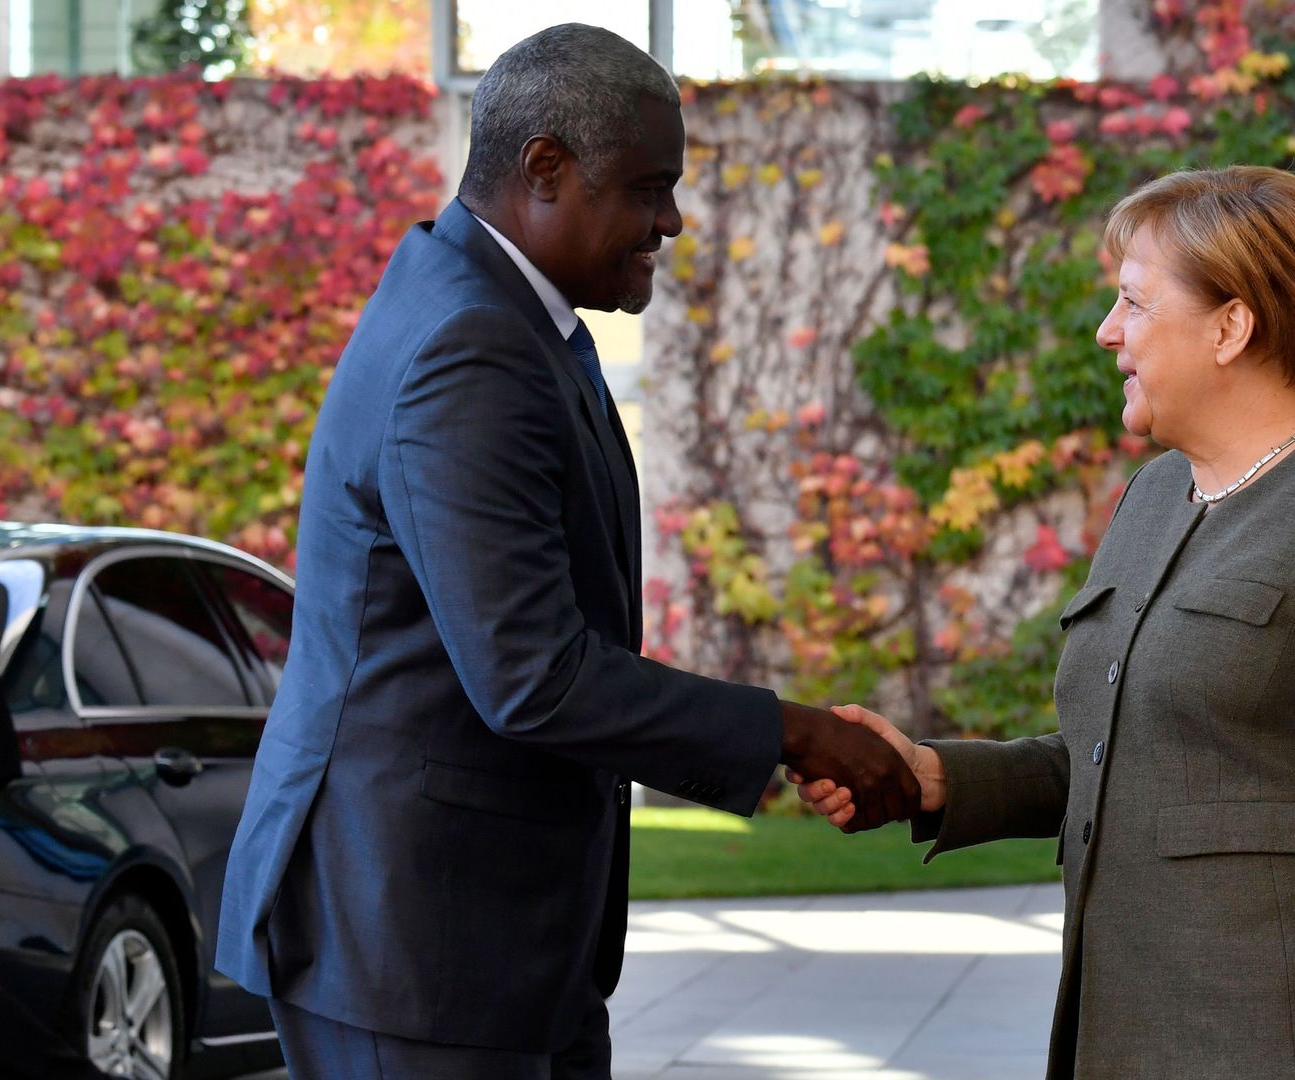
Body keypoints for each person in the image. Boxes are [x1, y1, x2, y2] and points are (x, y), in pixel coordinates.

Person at [215, 24, 916, 1079]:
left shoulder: (502, 314)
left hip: (483, 939)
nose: (671, 221)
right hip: (414, 943)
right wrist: (791, 733)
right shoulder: (470, 344)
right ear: (545, 169)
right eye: (648, 187)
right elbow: (532, 677)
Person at [798, 166, 1295, 1080]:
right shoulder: (1156, 495)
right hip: (1131, 1027)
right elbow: (1123, 755)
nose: (1108, 331)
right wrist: (934, 776)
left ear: (1230, 326)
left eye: (1133, 301)